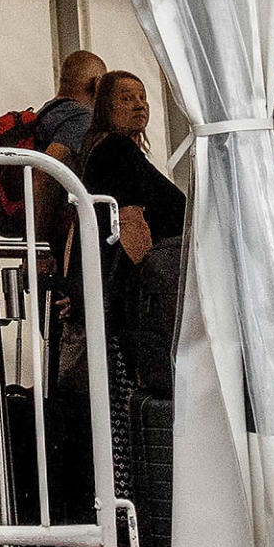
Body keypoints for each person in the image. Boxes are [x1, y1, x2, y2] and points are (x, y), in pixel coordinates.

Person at [78, 70, 186, 386]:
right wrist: (154, 282)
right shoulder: (117, 150)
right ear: (105, 109)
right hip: (143, 293)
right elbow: (129, 221)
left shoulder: (107, 150)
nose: (139, 105)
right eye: (126, 98)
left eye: (142, 97)